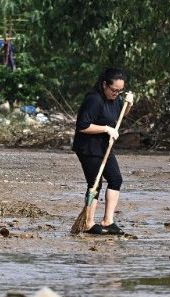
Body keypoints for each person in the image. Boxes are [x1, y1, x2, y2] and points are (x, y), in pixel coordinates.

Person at [73, 68, 134, 235]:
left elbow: (120, 115)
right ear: (104, 85)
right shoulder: (94, 99)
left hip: (105, 147)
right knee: (95, 184)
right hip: (88, 147)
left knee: (115, 179)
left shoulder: (114, 100)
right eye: (114, 90)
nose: (116, 93)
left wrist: (128, 104)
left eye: (120, 91)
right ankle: (88, 223)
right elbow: (83, 126)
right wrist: (106, 129)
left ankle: (108, 221)